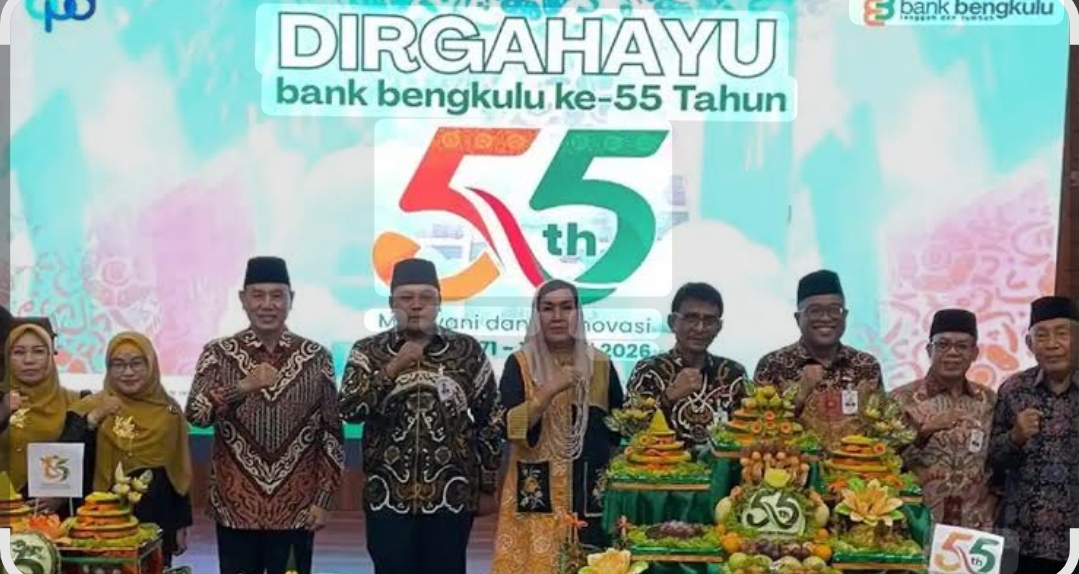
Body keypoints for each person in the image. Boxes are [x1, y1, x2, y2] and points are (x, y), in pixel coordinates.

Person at [339, 258, 503, 574]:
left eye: (426, 297)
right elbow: (349, 410)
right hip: (387, 497)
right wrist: (392, 368)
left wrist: (487, 486)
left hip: (452, 496)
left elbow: (491, 418)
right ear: (392, 304)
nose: (416, 305)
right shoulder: (367, 351)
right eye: (406, 297)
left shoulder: (466, 350)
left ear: (439, 303)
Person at [185, 256, 344, 574]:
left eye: (277, 295)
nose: (267, 304)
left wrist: (324, 499)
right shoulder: (218, 353)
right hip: (235, 507)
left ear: (291, 299)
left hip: (297, 509)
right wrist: (241, 387)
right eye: (258, 295)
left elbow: (331, 433)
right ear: (243, 300)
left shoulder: (316, 357)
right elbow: (197, 414)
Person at [491, 279, 624, 574]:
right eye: (548, 308)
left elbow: (617, 429)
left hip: (589, 492)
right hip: (537, 491)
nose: (557, 316)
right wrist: (548, 391)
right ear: (537, 314)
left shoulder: (600, 363)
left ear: (578, 313)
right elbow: (508, 427)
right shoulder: (521, 363)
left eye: (566, 307)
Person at [62, 332, 193, 566]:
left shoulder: (169, 412)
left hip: (157, 518)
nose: (128, 372)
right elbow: (67, 456)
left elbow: (179, 470)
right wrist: (94, 418)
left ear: (151, 366)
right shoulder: (89, 407)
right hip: (99, 521)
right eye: (118, 364)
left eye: (136, 363)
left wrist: (180, 524)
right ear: (108, 369)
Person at [988, 296, 1079, 573]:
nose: (1052, 344)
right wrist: (1015, 437)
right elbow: (993, 460)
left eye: (1061, 334)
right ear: (1029, 344)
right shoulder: (1014, 389)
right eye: (1041, 335)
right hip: (1019, 533)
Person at [891, 309, 996, 530]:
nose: (952, 353)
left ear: (975, 352)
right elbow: (883, 460)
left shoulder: (989, 400)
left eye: (962, 346)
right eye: (943, 345)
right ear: (929, 350)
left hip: (976, 527)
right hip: (916, 525)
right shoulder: (901, 400)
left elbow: (1000, 460)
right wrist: (920, 436)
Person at [754, 270, 882, 447]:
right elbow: (758, 431)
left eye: (835, 310)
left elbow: (882, 428)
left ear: (845, 315)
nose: (826, 318)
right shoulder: (772, 365)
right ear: (798, 318)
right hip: (796, 463)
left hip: (856, 464)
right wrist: (800, 395)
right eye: (815, 311)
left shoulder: (867, 365)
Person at [626, 282, 746, 447]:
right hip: (660, 461)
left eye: (709, 320)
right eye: (691, 318)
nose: (700, 328)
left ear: (718, 327)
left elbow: (751, 430)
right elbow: (628, 430)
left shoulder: (733, 373)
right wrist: (668, 398)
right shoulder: (649, 370)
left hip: (721, 463)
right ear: (672, 322)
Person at [0, 320, 89, 514]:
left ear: (50, 356)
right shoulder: (2, 401)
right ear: (7, 357)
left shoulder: (76, 402)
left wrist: (63, 494)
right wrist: (3, 411)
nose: (29, 360)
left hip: (50, 514)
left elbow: (90, 461)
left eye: (39, 351)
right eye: (19, 352)